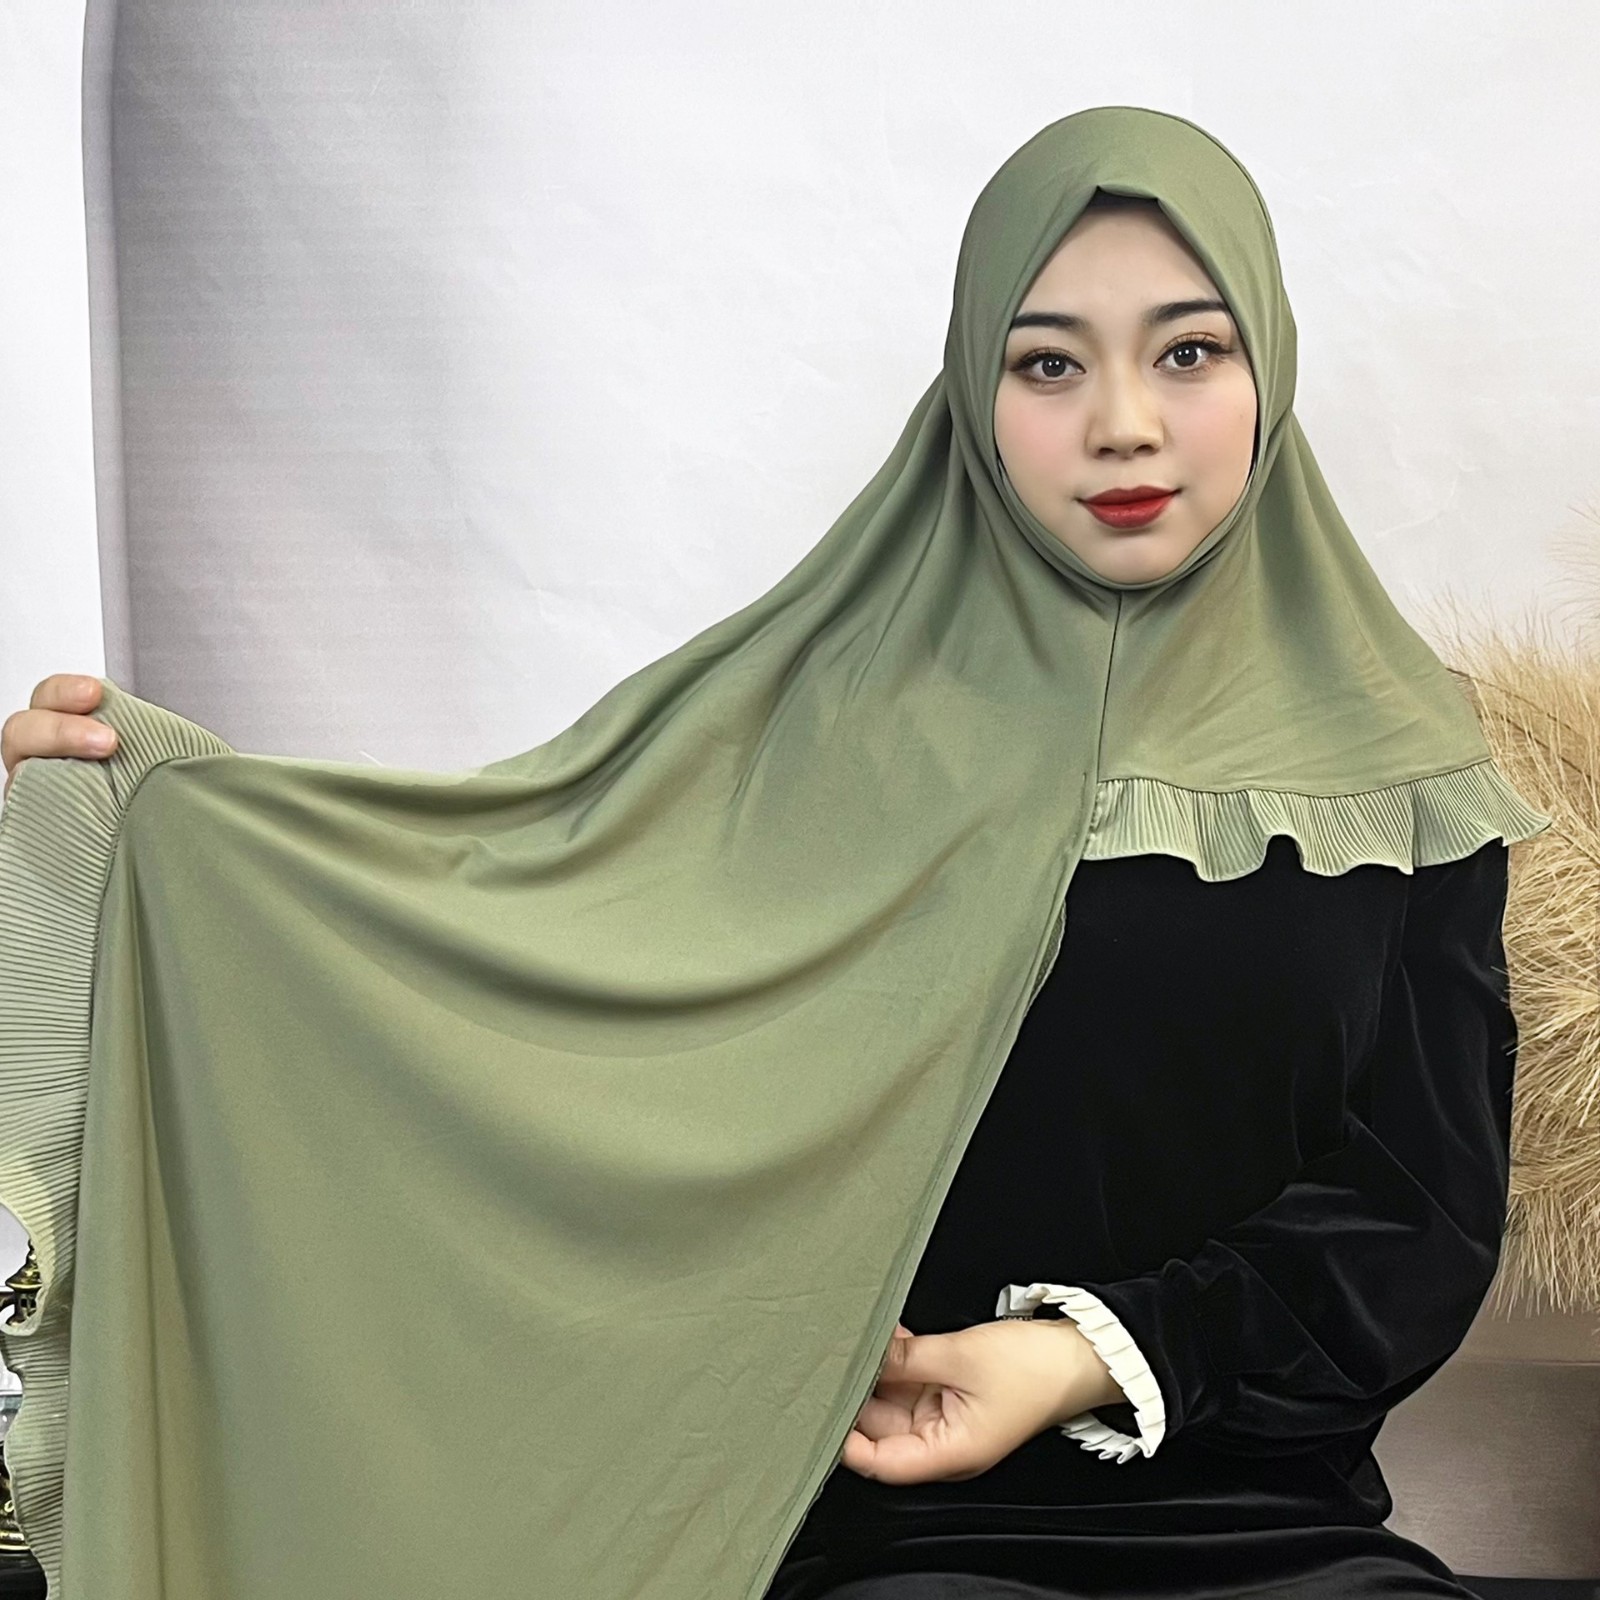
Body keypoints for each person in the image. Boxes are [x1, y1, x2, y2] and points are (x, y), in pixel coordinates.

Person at [0, 107, 1548, 1600]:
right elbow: (518, 948)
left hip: (1273, 1527)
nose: (1124, 423)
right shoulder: (819, 724)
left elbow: (1419, 1213)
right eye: (1048, 362)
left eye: (1188, 351)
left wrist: (1082, 1354)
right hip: (887, 1530)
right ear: (972, 390)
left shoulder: (1404, 767)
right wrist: (168, 823)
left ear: (1269, 365)